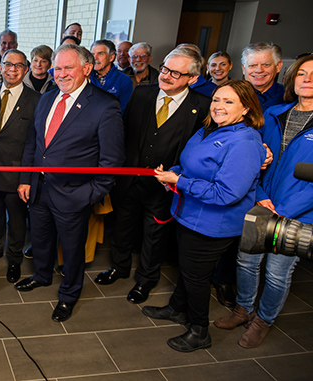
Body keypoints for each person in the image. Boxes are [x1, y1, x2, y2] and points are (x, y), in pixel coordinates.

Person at [145, 79, 266, 352]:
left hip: (213, 225)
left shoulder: (244, 142)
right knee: (188, 270)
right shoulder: (210, 129)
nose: (218, 106)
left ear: (246, 109)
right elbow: (189, 163)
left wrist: (180, 181)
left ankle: (199, 330)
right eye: (216, 100)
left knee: (197, 276)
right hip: (189, 214)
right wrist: (172, 175)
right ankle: (177, 308)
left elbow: (227, 194)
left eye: (228, 102)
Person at [15, 44, 124, 323]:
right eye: (58, 68)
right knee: (40, 237)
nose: (61, 74)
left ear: (87, 69)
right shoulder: (46, 98)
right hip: (39, 189)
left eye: (68, 68)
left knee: (73, 249)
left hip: (75, 194)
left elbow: (111, 161)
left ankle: (69, 295)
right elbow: (34, 144)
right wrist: (27, 179)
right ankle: (41, 276)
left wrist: (90, 194)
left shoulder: (104, 105)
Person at [95, 47, 211, 305]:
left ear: (192, 79)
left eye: (176, 73)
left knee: (154, 235)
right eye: (166, 68)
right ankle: (119, 267)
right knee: (123, 228)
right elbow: (123, 132)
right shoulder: (142, 94)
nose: (166, 76)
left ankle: (146, 279)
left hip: (165, 188)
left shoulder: (201, 106)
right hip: (129, 179)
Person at [214, 55, 313, 348]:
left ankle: (263, 320)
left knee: (277, 272)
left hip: (298, 213)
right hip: (261, 202)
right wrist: (262, 196)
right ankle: (243, 309)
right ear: (292, 79)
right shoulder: (273, 114)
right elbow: (255, 159)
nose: (307, 79)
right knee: (246, 262)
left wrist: (282, 210)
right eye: (302, 74)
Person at [0, 49, 40, 283]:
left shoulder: (36, 100)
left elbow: (35, 143)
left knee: (17, 220)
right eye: (8, 64)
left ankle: (15, 259)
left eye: (19, 65)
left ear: (26, 69)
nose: (13, 69)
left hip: (16, 173)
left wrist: (26, 178)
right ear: (0, 67)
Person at [90, 39, 134, 111]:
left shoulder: (124, 81)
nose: (95, 58)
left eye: (100, 54)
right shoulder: (85, 77)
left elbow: (123, 111)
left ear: (111, 57)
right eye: (93, 54)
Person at [242, 42, 285, 111]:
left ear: (278, 66)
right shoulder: (231, 95)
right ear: (244, 69)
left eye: (266, 65)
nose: (259, 70)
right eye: (252, 65)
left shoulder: (290, 97)